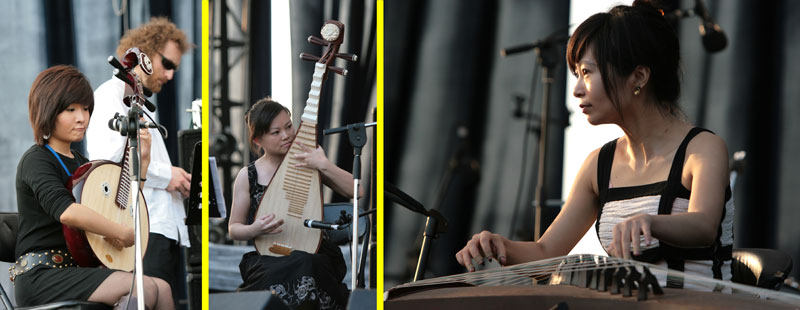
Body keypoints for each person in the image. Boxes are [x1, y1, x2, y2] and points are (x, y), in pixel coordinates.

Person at [456, 1, 734, 290]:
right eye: (576, 74)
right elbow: (547, 254)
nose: (577, 89)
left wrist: (651, 222)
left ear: (638, 77)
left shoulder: (702, 149)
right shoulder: (598, 165)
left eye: (587, 73)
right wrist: (498, 245)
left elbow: (703, 225)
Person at [13, 65, 172, 309]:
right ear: (48, 110)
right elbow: (68, 212)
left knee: (163, 287)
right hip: (43, 275)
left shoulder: (82, 163)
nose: (82, 117)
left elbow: (124, 207)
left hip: (79, 270)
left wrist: (144, 161)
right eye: (71, 109)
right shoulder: (36, 159)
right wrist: (118, 232)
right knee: (144, 287)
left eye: (86, 109)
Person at [85, 17, 193, 305]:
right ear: (144, 53)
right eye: (167, 64)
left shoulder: (140, 100)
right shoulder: (110, 95)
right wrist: (167, 175)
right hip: (141, 224)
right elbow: (106, 161)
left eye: (175, 68)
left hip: (161, 224)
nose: (170, 75)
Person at [228, 98, 361, 309]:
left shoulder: (307, 159)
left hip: (313, 252)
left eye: (289, 126)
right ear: (258, 141)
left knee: (305, 262)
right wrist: (255, 228)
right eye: (276, 132)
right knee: (281, 272)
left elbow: (357, 190)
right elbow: (234, 229)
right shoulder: (248, 175)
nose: (287, 135)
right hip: (270, 256)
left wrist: (324, 165)